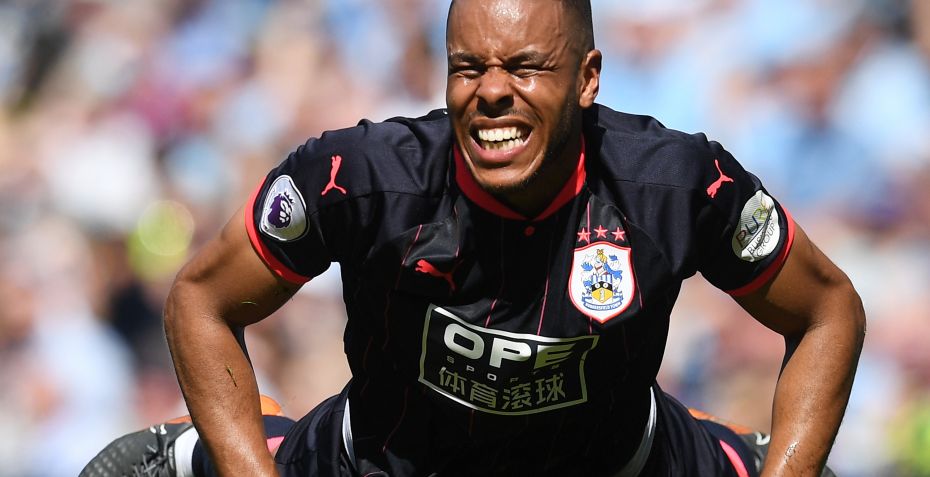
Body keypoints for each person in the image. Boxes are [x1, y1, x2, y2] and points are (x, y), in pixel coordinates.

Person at [81, 0, 865, 475]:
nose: (492, 92)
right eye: (468, 67)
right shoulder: (360, 178)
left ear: (587, 78)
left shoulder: (678, 185)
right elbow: (202, 298)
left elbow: (828, 310)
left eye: (525, 67)